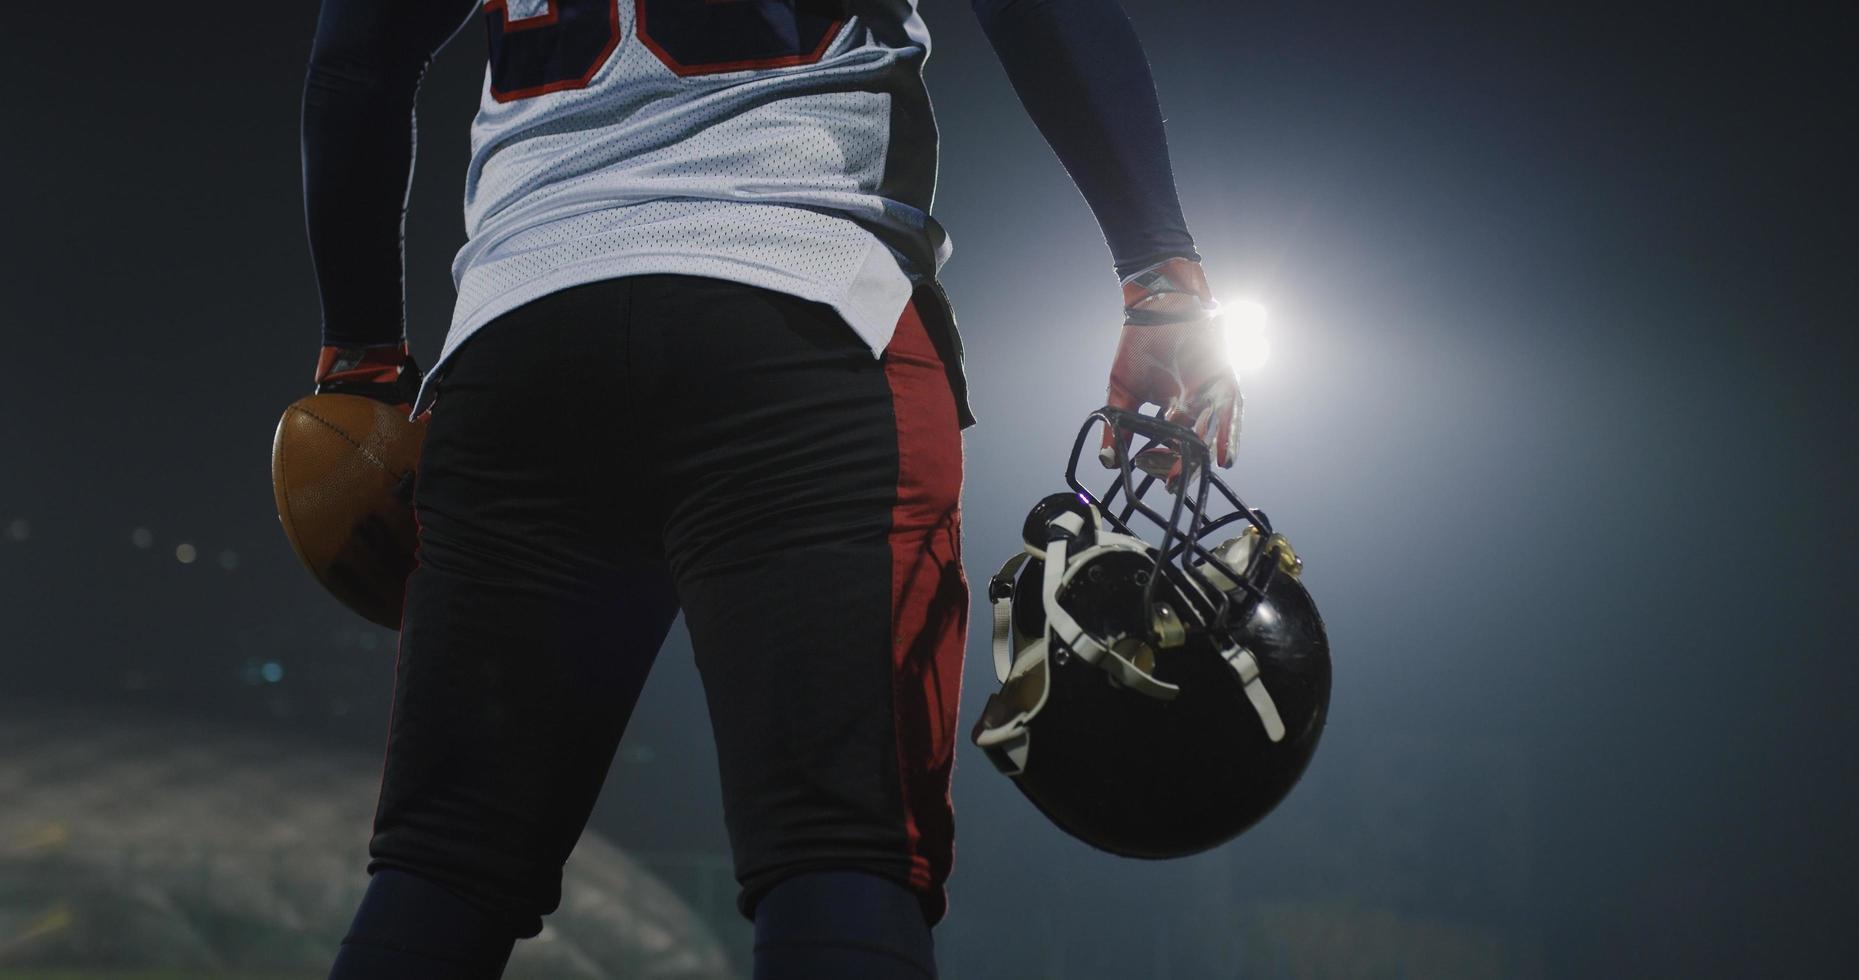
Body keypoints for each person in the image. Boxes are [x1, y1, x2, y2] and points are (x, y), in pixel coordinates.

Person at [302, 2, 1240, 978]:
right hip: (805, 291)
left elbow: (354, 62)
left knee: (444, 861)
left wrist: (361, 359)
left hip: (522, 332)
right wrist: (1157, 269)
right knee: (839, 845)